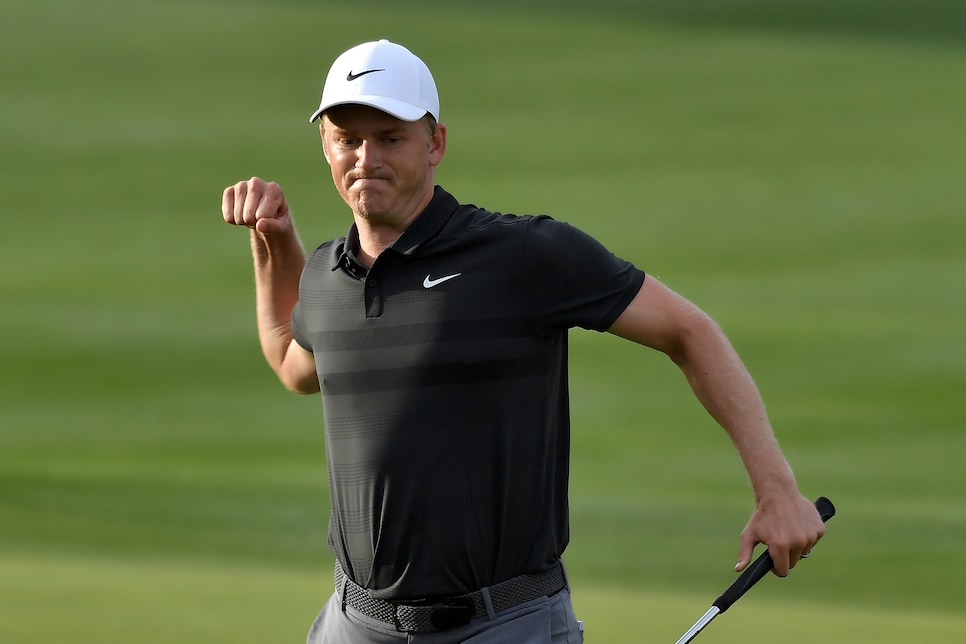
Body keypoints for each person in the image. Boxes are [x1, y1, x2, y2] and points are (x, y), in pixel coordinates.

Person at [221, 39, 825, 644]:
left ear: (436, 144)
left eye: (390, 137)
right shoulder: (327, 276)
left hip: (503, 624)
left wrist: (777, 491)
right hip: (354, 625)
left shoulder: (524, 255)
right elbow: (291, 361)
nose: (366, 157)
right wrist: (273, 241)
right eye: (347, 138)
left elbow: (688, 331)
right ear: (325, 144)